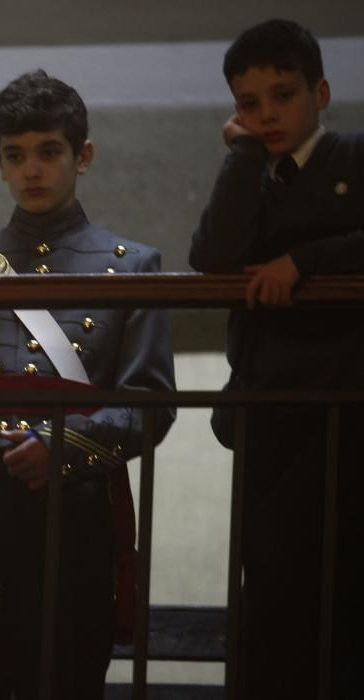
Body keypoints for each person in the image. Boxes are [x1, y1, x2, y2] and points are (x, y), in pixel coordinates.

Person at [0, 70, 176, 699]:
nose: (33, 170)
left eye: (49, 152)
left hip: (73, 507)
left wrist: (66, 446)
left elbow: (149, 403)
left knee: (68, 674)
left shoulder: (134, 268)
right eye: (16, 156)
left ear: (83, 156)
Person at [190, 18, 363, 699]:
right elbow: (211, 256)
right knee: (268, 586)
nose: (265, 115)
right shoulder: (251, 172)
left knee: (343, 590)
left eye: (281, 96)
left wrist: (304, 262)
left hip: (348, 406)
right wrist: (238, 157)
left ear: (318, 93)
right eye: (247, 103)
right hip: (267, 408)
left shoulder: (352, 156)